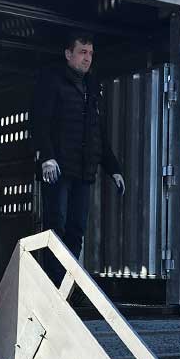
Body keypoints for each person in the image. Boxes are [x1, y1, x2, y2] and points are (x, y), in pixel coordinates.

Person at [31, 32, 125, 282]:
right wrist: (47, 157)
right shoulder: (52, 81)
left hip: (84, 171)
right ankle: (52, 282)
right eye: (83, 52)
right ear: (68, 54)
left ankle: (66, 283)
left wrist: (114, 168)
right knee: (56, 225)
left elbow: (98, 133)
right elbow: (40, 121)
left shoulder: (91, 87)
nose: (88, 58)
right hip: (58, 170)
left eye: (91, 53)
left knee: (76, 229)